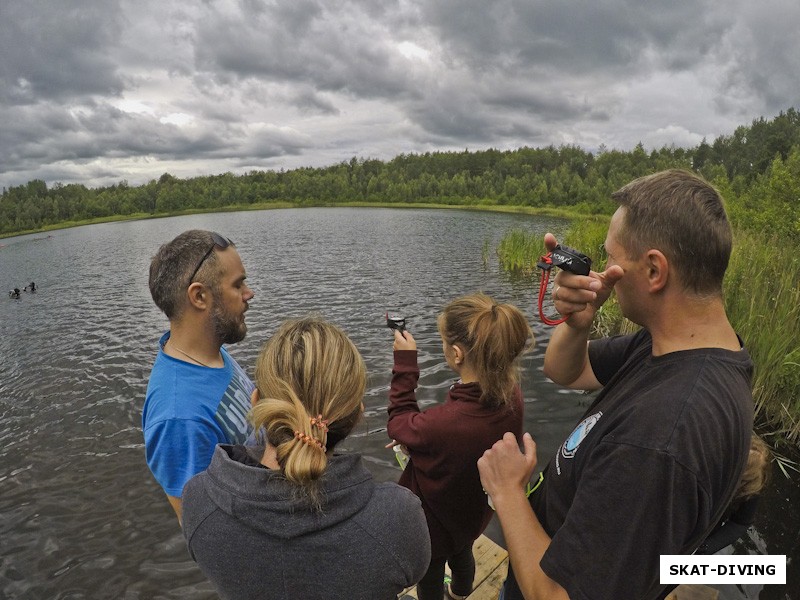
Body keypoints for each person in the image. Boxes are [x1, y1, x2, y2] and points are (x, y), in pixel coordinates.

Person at [478, 169, 755, 600]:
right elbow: (566, 372)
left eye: (612, 256)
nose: (605, 269)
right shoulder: (675, 345)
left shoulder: (659, 438)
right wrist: (578, 324)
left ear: (653, 270)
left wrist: (507, 491)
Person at [182, 317, 431, 600]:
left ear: (256, 403)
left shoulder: (199, 502)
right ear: (356, 415)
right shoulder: (399, 517)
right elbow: (416, 569)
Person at [388, 292, 532, 600]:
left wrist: (405, 362)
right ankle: (460, 593)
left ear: (456, 354)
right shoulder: (512, 395)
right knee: (463, 552)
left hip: (435, 523)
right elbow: (461, 439)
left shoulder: (442, 423)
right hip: (473, 513)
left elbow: (399, 421)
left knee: (431, 573)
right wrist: (420, 442)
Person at [142, 230, 256, 523]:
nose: (249, 293)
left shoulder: (209, 352)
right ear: (200, 296)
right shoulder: (178, 417)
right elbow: (205, 532)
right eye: (238, 284)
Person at [696, 433, 772, 555]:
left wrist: (705, 548)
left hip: (702, 535)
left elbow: (740, 522)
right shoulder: (700, 461)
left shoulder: (753, 485)